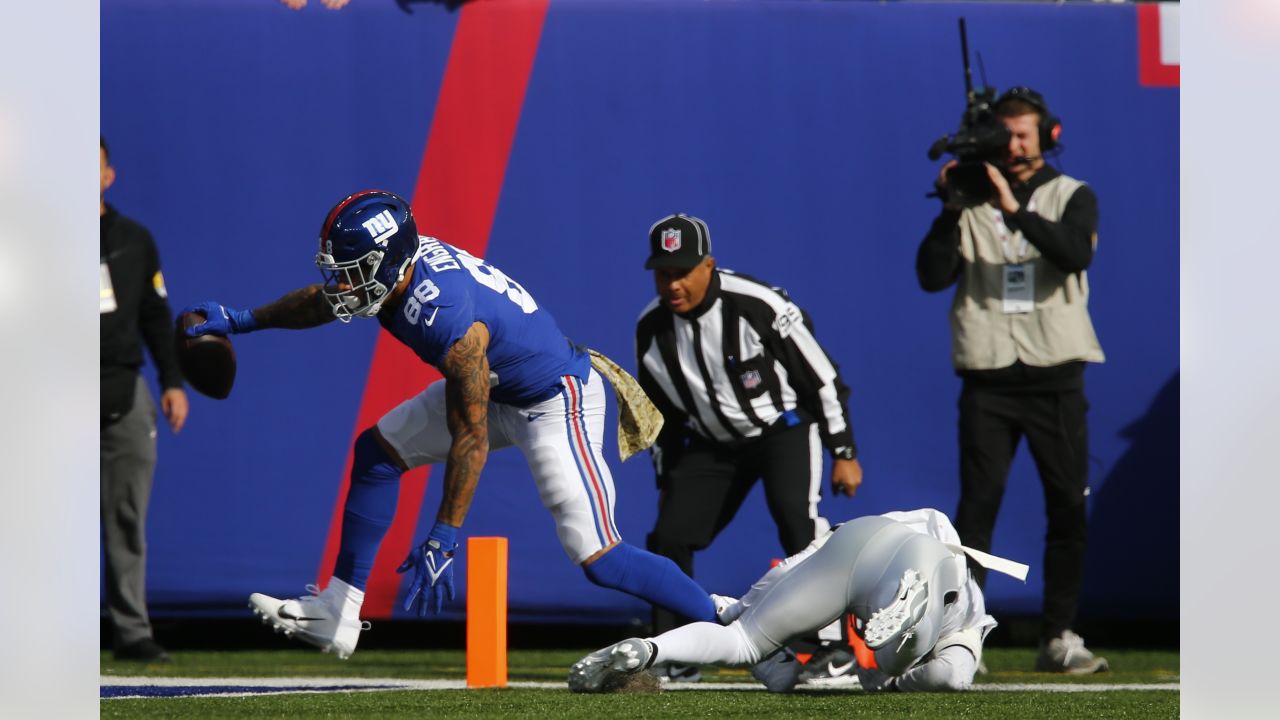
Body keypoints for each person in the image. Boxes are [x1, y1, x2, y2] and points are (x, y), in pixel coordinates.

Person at [182, 190, 718, 659]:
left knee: (600, 556)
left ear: (388, 263)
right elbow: (323, 302)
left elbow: (472, 434)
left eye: (352, 271)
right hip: (497, 386)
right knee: (377, 454)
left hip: (554, 399)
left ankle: (732, 626)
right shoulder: (395, 273)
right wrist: (243, 319)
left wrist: (444, 535)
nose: (341, 284)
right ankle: (337, 612)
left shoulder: (446, 315)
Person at [915, 86, 1108, 674]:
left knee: (1066, 507)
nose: (1014, 145)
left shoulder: (1072, 194)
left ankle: (1058, 635)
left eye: (1024, 134)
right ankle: (963, 636)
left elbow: (1074, 254)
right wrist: (952, 208)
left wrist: (1015, 209)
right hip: (990, 378)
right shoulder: (968, 200)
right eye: (1005, 135)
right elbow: (930, 275)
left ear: (1047, 135)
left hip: (1055, 376)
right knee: (976, 512)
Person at [635, 213, 864, 681]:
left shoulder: (756, 304)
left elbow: (820, 378)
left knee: (798, 523)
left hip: (783, 431)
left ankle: (830, 649)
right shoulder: (651, 328)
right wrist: (668, 479)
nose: (673, 283)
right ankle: (677, 653)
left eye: (682, 271)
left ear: (708, 266)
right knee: (669, 536)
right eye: (663, 273)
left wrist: (843, 452)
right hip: (712, 444)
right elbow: (659, 417)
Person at [569, 508, 1024, 693]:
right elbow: (948, 677)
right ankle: (908, 604)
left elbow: (792, 564)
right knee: (923, 665)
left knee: (746, 642)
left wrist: (741, 607)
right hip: (937, 561)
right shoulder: (966, 609)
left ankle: (653, 649)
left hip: (858, 537)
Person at [100, 136, 189, 663]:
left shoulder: (134, 239)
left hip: (120, 386)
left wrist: (172, 381)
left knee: (127, 515)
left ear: (109, 175)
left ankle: (131, 630)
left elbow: (157, 314)